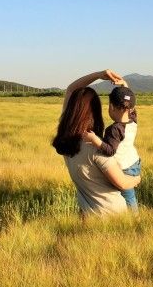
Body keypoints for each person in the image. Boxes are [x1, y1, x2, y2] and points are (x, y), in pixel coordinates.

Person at [51, 70, 141, 216]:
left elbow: (70, 90)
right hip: (114, 214)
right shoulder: (96, 147)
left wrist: (99, 75)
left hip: (88, 214)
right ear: (95, 112)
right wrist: (137, 179)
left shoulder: (66, 139)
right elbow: (123, 183)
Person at [82, 86, 141, 211]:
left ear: (112, 107)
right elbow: (130, 104)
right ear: (130, 108)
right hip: (134, 163)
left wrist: (94, 139)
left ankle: (134, 218)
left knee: (127, 195)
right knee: (128, 193)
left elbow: (109, 150)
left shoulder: (114, 129)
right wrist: (125, 88)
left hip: (124, 168)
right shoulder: (133, 120)